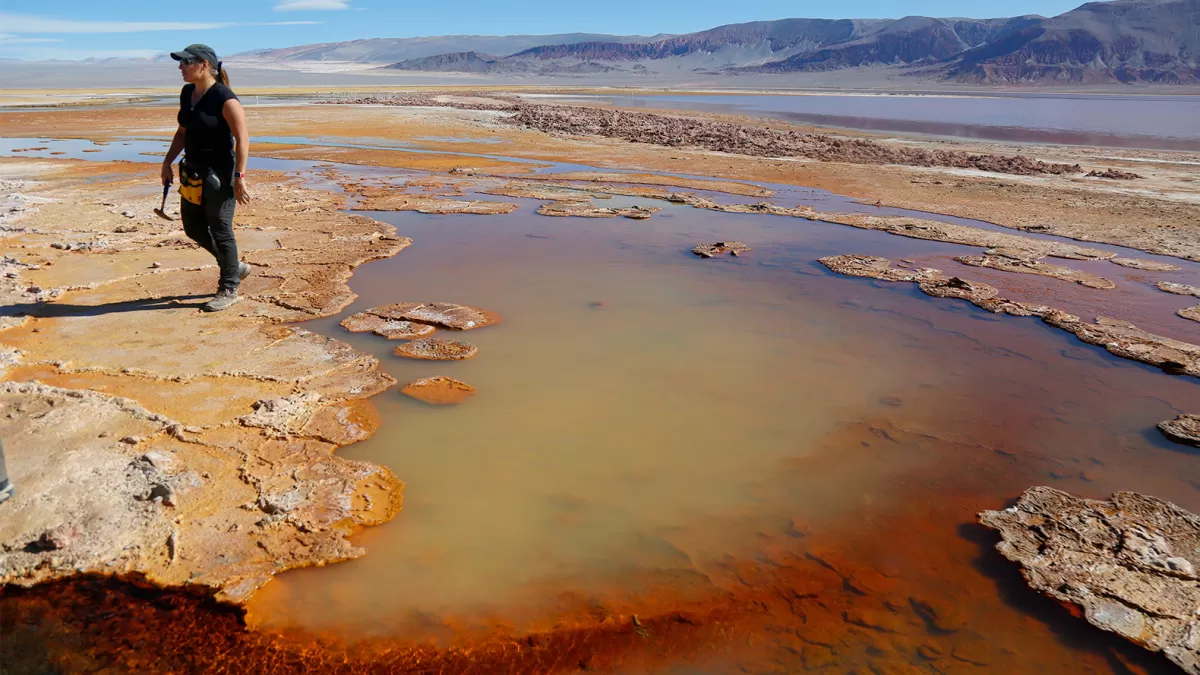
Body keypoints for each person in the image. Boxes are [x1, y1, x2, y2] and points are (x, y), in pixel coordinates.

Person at [161, 44, 253, 312]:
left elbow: (242, 139)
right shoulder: (187, 93)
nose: (180, 67)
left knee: (221, 230)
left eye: (185, 62)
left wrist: (239, 176)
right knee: (193, 228)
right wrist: (166, 162)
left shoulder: (225, 98)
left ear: (204, 64)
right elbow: (182, 133)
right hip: (193, 172)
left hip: (220, 175)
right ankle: (234, 266)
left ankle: (229, 287)